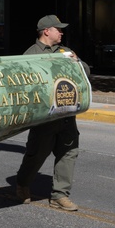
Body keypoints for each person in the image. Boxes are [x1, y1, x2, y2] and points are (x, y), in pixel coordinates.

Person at [15, 14, 89, 212]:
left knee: (69, 153)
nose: (62, 32)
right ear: (47, 31)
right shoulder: (31, 55)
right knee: (37, 154)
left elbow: (86, 72)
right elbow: (23, 84)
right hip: (44, 117)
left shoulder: (65, 51)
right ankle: (22, 184)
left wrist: (77, 63)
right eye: (58, 29)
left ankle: (59, 195)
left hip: (66, 113)